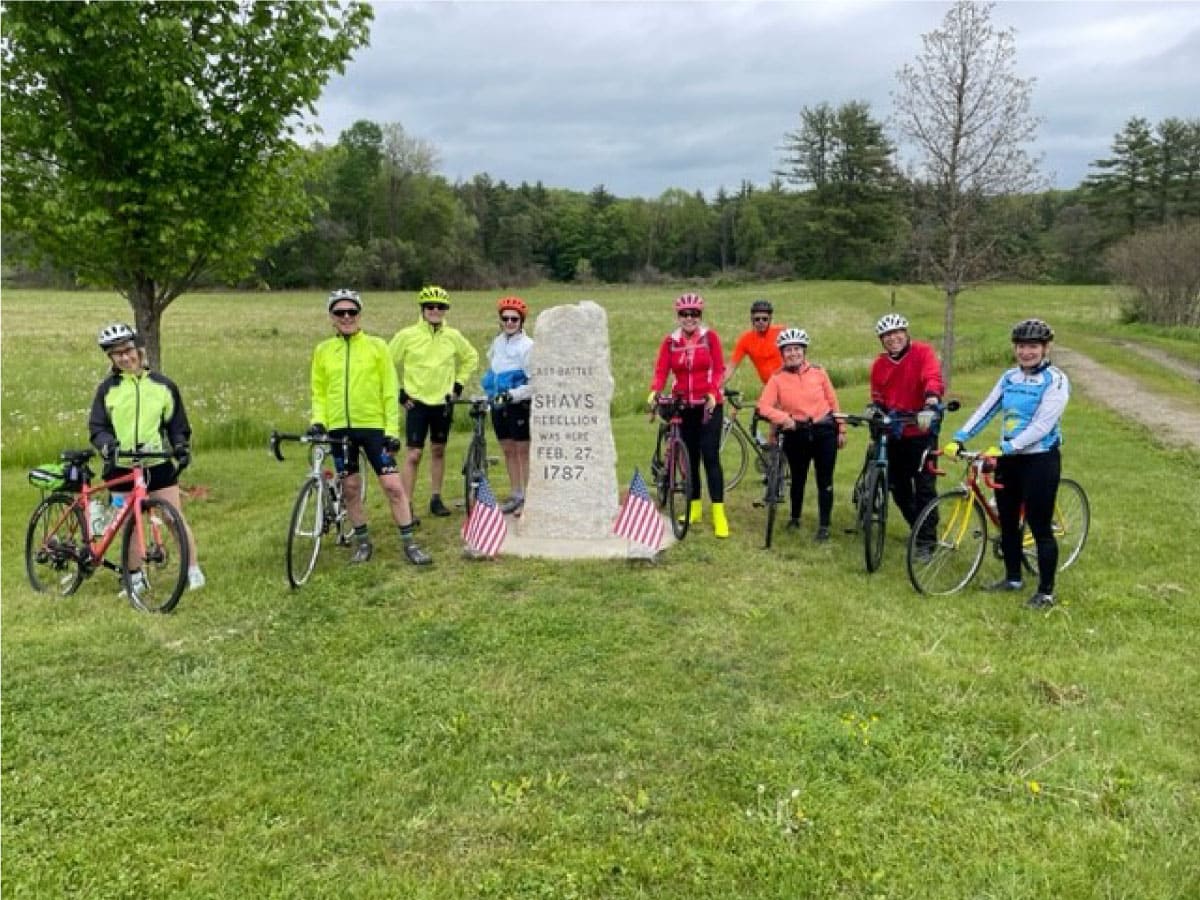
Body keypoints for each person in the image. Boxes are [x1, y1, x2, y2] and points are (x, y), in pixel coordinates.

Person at [943, 318, 1069, 609]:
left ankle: (1046, 592)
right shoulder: (1010, 377)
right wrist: (960, 437)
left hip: (1040, 460)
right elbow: (987, 409)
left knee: (1039, 526)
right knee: (1009, 522)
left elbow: (1042, 425)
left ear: (1045, 348)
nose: (1027, 352)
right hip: (1009, 460)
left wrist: (1006, 447)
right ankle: (1013, 578)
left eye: (1033, 346)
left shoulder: (1056, 381)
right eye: (1022, 346)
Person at [310, 289, 431, 566]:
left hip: (374, 428)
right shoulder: (323, 351)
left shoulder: (377, 347)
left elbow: (390, 390)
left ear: (359, 315)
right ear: (331, 317)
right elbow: (319, 392)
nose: (347, 317)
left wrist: (391, 431)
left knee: (393, 486)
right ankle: (363, 543)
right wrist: (319, 421)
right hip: (340, 430)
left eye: (352, 312)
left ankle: (409, 543)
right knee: (350, 487)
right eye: (340, 313)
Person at [88, 322, 206, 591]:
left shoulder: (163, 386)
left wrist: (181, 447)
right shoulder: (108, 390)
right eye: (117, 354)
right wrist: (107, 446)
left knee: (173, 518)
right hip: (122, 466)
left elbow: (177, 425)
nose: (125, 357)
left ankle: (193, 570)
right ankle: (135, 577)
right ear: (111, 359)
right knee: (130, 525)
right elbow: (98, 427)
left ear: (138, 350)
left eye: (128, 350)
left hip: (157, 464)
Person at [388, 285, 479, 519]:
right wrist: (400, 394)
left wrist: (458, 385)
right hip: (416, 402)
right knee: (413, 455)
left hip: (443, 402)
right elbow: (386, 364)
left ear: (445, 310)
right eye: (430, 307)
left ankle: (436, 498)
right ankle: (406, 504)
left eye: (440, 307)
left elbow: (471, 357)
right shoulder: (407, 335)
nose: (435, 310)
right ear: (422, 309)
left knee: (438, 450)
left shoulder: (453, 336)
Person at [647, 292, 729, 537]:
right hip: (683, 405)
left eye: (694, 314)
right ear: (678, 316)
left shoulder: (710, 338)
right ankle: (694, 508)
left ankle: (718, 514)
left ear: (700, 316)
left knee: (710, 457)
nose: (689, 318)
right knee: (689, 459)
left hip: (708, 404)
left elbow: (718, 369)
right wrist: (655, 391)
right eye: (684, 314)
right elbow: (661, 371)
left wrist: (713, 392)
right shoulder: (670, 342)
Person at [756, 328, 847, 540]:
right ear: (782, 353)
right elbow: (763, 407)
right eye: (788, 350)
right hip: (796, 432)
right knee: (798, 478)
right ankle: (795, 517)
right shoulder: (777, 378)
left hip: (824, 430)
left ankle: (824, 525)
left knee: (825, 479)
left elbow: (833, 402)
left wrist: (841, 427)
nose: (793, 353)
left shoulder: (818, 372)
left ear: (804, 351)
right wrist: (784, 419)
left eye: (797, 349)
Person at [869, 313, 946, 547]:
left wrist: (931, 399)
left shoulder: (922, 352)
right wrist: (875, 411)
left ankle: (927, 541)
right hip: (895, 432)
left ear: (905, 332)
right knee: (897, 486)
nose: (893, 338)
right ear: (882, 340)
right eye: (887, 336)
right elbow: (878, 396)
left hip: (921, 429)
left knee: (924, 486)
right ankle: (918, 528)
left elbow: (931, 377)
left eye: (896, 333)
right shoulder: (880, 365)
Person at [481, 296, 534, 515]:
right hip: (498, 403)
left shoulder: (528, 346)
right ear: (500, 320)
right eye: (506, 318)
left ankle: (531, 499)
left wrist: (512, 395)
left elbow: (535, 383)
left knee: (523, 450)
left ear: (521, 322)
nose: (510, 322)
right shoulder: (498, 342)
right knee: (508, 449)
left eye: (515, 319)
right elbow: (493, 372)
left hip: (517, 404)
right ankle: (516, 494)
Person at [722, 298, 783, 388]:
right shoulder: (746, 339)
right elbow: (731, 366)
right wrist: (717, 386)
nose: (761, 322)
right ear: (752, 320)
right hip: (770, 386)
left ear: (770, 319)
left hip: (790, 382)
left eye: (765, 319)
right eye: (757, 319)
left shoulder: (782, 332)